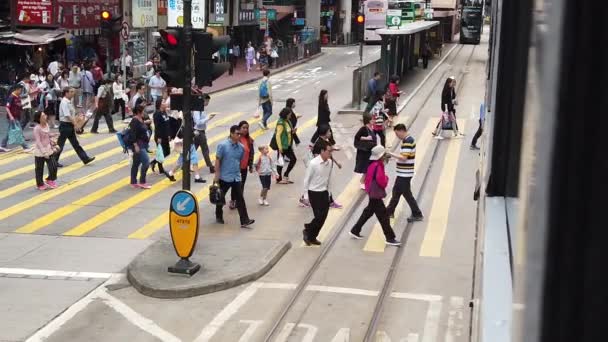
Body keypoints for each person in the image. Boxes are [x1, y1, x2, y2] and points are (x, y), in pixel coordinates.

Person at [350, 145, 401, 246]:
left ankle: (355, 230)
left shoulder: (372, 164)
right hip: (376, 193)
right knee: (383, 217)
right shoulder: (378, 165)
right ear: (381, 156)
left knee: (368, 212)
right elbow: (381, 180)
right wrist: (386, 178)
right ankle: (390, 238)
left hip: (371, 192)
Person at [214, 125, 255, 228]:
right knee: (220, 198)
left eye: (240, 134)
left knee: (240, 198)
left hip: (236, 177)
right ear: (231, 133)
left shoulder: (241, 147)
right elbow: (218, 160)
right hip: (224, 177)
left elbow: (239, 160)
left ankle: (245, 220)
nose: (239, 136)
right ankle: (219, 216)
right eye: (237, 134)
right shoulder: (222, 145)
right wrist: (217, 175)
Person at [386, 124, 424, 222]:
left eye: (397, 133)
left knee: (407, 194)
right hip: (403, 173)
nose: (397, 136)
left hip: (405, 173)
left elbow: (404, 157)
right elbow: (404, 157)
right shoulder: (407, 140)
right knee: (396, 192)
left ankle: (417, 213)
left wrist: (390, 153)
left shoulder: (408, 141)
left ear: (401, 131)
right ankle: (389, 211)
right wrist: (394, 159)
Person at [302, 141, 334, 246]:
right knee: (319, 216)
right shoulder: (313, 163)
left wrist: (329, 194)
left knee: (323, 217)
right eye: (329, 151)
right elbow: (306, 180)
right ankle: (308, 232)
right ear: (322, 151)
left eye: (331, 151)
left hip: (324, 192)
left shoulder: (329, 162)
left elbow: (329, 178)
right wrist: (305, 196)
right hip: (314, 193)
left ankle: (311, 235)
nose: (330, 153)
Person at [56, 87, 95, 167]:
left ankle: (85, 158)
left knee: (75, 144)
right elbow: (67, 116)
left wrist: (77, 119)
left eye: (73, 91)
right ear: (66, 93)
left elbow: (72, 114)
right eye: (71, 92)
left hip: (69, 125)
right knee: (60, 145)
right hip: (65, 126)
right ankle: (53, 161)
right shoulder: (64, 102)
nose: (73, 93)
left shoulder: (69, 102)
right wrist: (76, 124)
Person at [311, 124, 343, 209]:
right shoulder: (319, 144)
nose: (330, 133)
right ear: (324, 133)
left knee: (327, 185)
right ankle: (305, 199)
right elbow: (316, 156)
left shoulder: (326, 141)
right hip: (322, 169)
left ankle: (330, 201)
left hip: (327, 167)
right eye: (329, 131)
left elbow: (329, 154)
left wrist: (336, 163)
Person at [229, 121, 254, 209]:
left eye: (247, 128)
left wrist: (250, 165)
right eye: (243, 128)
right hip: (236, 166)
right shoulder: (236, 139)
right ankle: (232, 200)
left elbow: (251, 153)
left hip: (244, 166)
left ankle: (239, 201)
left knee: (242, 184)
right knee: (235, 184)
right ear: (239, 128)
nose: (245, 129)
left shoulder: (249, 140)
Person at [32, 111, 58, 190]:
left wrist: (53, 135)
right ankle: (40, 184)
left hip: (49, 149)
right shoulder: (37, 128)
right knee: (39, 168)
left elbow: (47, 135)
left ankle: (50, 179)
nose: (45, 116)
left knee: (54, 165)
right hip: (40, 151)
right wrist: (44, 152)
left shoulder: (47, 125)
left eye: (45, 115)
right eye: (43, 115)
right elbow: (38, 141)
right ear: (39, 118)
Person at [150, 98, 175, 181]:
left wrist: (169, 135)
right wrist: (159, 137)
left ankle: (154, 162)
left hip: (165, 136)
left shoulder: (164, 112)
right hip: (160, 137)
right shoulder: (157, 114)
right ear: (160, 104)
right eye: (163, 102)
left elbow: (167, 124)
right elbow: (157, 127)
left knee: (167, 151)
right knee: (162, 152)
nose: (165, 103)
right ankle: (161, 169)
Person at [1, 85, 30, 152]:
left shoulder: (18, 97)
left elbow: (18, 106)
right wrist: (11, 116)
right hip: (13, 118)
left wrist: (24, 105)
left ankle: (2, 146)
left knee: (9, 132)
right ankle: (26, 147)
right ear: (17, 89)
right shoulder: (11, 97)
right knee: (19, 131)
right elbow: (7, 107)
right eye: (20, 90)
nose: (21, 92)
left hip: (17, 117)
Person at [128, 105, 151, 189]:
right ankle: (142, 181)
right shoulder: (134, 121)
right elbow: (132, 134)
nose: (144, 113)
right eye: (143, 111)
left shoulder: (141, 120)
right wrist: (135, 145)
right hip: (138, 144)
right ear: (139, 112)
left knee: (136, 163)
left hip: (143, 144)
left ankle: (133, 181)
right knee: (146, 162)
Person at [192, 94, 216, 174]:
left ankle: (183, 164)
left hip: (200, 131)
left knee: (193, 150)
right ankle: (211, 167)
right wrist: (208, 118)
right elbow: (198, 122)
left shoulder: (201, 109)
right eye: (207, 101)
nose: (207, 103)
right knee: (205, 150)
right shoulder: (197, 110)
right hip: (198, 132)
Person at [354, 113, 377, 189]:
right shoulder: (363, 129)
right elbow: (357, 138)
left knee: (369, 168)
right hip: (364, 153)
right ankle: (363, 182)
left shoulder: (371, 128)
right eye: (372, 119)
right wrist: (366, 138)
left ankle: (365, 181)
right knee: (367, 168)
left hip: (370, 152)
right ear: (368, 121)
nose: (374, 120)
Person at [274, 107, 297, 184]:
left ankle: (286, 174)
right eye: (289, 115)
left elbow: (288, 131)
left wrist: (292, 131)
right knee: (280, 162)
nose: (290, 116)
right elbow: (278, 135)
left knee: (293, 159)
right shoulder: (280, 123)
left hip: (288, 145)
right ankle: (279, 179)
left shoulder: (287, 121)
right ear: (286, 115)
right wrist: (280, 147)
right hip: (282, 146)